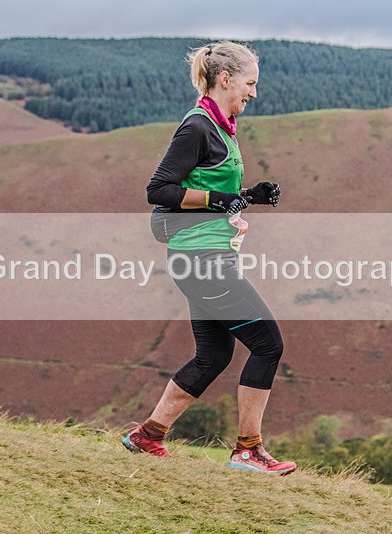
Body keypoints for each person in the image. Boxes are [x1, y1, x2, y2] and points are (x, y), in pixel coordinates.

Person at [122, 40, 296, 475]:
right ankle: (248, 450)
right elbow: (159, 190)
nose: (253, 93)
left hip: (205, 256)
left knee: (212, 356)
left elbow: (210, 194)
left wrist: (247, 197)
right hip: (201, 260)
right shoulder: (197, 127)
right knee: (268, 344)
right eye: (250, 83)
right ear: (225, 79)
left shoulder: (221, 127)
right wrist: (223, 200)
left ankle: (149, 436)